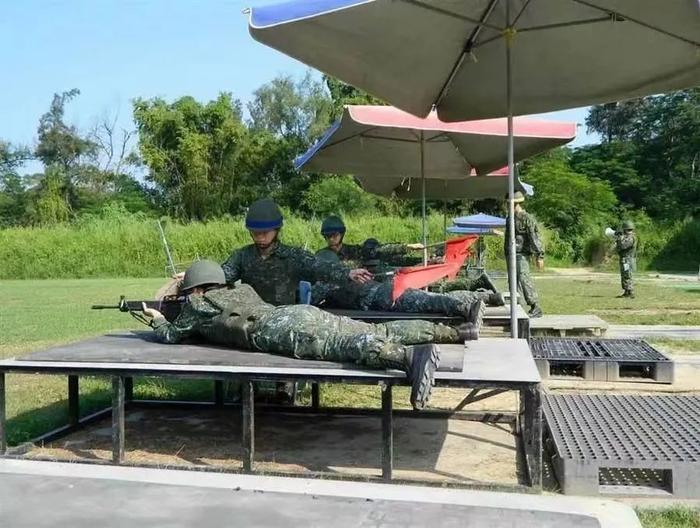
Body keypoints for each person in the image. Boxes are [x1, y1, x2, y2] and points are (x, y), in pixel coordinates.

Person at [143, 260, 469, 410]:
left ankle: (409, 358)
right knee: (373, 330)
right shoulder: (238, 290)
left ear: (196, 288)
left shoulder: (198, 304)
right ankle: (453, 332)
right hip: (295, 312)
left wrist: (156, 318)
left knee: (340, 345)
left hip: (276, 330)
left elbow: (172, 335)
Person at [221, 200, 373, 306]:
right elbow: (222, 275)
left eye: (265, 232)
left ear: (276, 230)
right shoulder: (242, 256)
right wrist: (203, 286)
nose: (260, 237)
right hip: (252, 317)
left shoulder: (293, 255)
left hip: (284, 319)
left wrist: (348, 273)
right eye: (255, 233)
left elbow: (320, 267)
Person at [316, 215, 423, 273]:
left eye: (334, 235)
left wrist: (407, 247)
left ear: (341, 234)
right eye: (327, 236)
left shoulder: (354, 251)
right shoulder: (322, 256)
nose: (331, 239)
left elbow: (379, 250)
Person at [504, 191, 544, 318]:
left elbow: (534, 237)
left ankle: (535, 306)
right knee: (512, 282)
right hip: (511, 254)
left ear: (516, 203)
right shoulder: (509, 218)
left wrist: (539, 255)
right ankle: (517, 306)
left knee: (523, 279)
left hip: (522, 255)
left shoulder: (527, 218)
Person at [615, 220, 637, 298]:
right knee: (625, 275)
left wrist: (619, 239)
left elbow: (623, 246)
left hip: (627, 260)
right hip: (625, 259)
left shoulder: (631, 238)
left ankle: (630, 292)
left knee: (627, 275)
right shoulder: (627, 237)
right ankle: (626, 291)